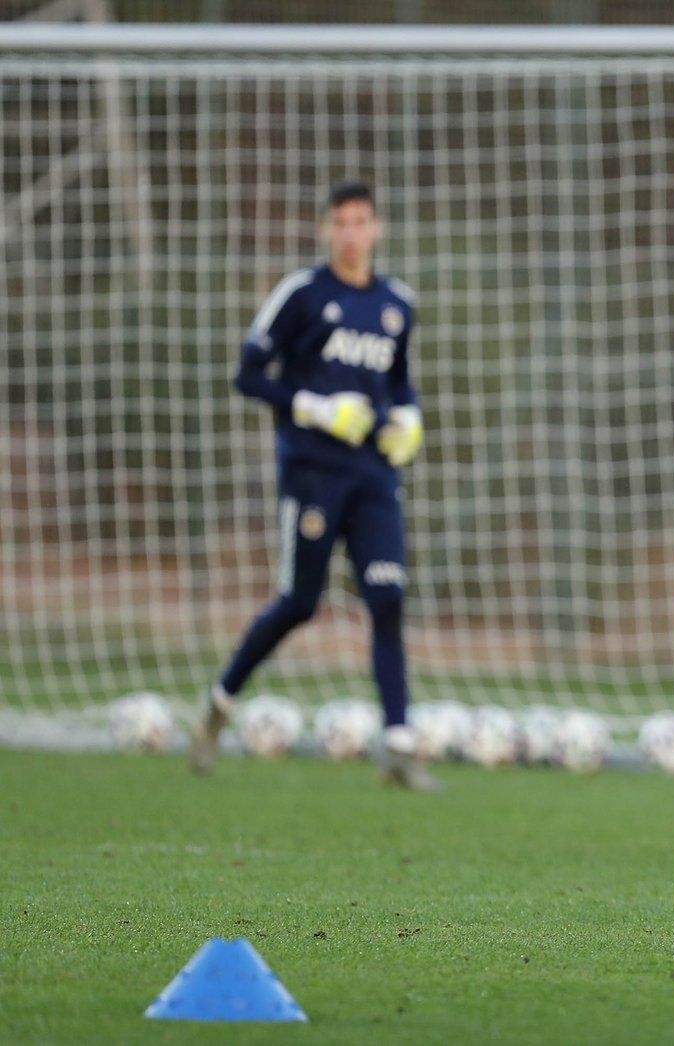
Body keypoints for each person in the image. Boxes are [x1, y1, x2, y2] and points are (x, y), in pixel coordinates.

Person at [189, 180, 438, 791]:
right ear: (329, 230)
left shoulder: (396, 303)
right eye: (341, 223)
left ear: (377, 229)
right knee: (301, 603)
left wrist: (409, 417)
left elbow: (399, 381)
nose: (352, 233)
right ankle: (221, 702)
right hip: (313, 472)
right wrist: (314, 407)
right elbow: (248, 376)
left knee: (387, 598)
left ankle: (400, 747)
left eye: (362, 222)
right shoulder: (302, 294)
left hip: (374, 475)